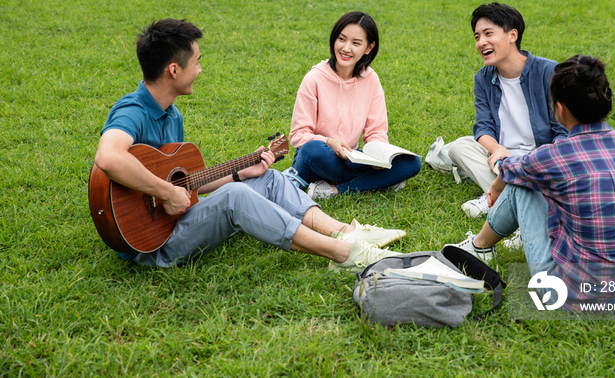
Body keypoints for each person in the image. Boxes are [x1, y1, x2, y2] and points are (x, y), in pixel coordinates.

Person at [93, 18, 406, 272]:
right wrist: (165, 192)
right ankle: (342, 253)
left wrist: (241, 172)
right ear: (173, 70)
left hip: (172, 221)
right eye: (197, 62)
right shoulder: (132, 110)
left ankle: (346, 231)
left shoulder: (170, 114)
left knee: (266, 178)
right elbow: (109, 157)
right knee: (235, 198)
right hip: (151, 245)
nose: (200, 69)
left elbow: (187, 184)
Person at [450, 55, 615, 306]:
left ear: (559, 108)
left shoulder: (555, 155)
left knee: (521, 185)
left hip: (572, 293)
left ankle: (479, 246)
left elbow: (509, 170)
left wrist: (495, 185)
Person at [448, 2, 567, 226]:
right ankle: (511, 195)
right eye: (476, 37)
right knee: (458, 147)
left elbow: (562, 131)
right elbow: (482, 128)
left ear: (512, 35)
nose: (481, 42)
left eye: (488, 34)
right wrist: (497, 149)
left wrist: (539, 160)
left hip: (540, 157)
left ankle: (497, 195)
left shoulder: (548, 72)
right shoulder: (483, 78)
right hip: (502, 158)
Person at [287, 11, 422, 199]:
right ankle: (379, 180)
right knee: (314, 151)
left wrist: (380, 157)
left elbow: (376, 132)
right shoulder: (314, 79)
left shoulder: (371, 79)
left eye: (356, 43)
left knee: (412, 162)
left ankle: (334, 190)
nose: (346, 48)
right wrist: (329, 142)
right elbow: (298, 135)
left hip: (351, 157)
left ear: (369, 47)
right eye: (341, 39)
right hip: (318, 157)